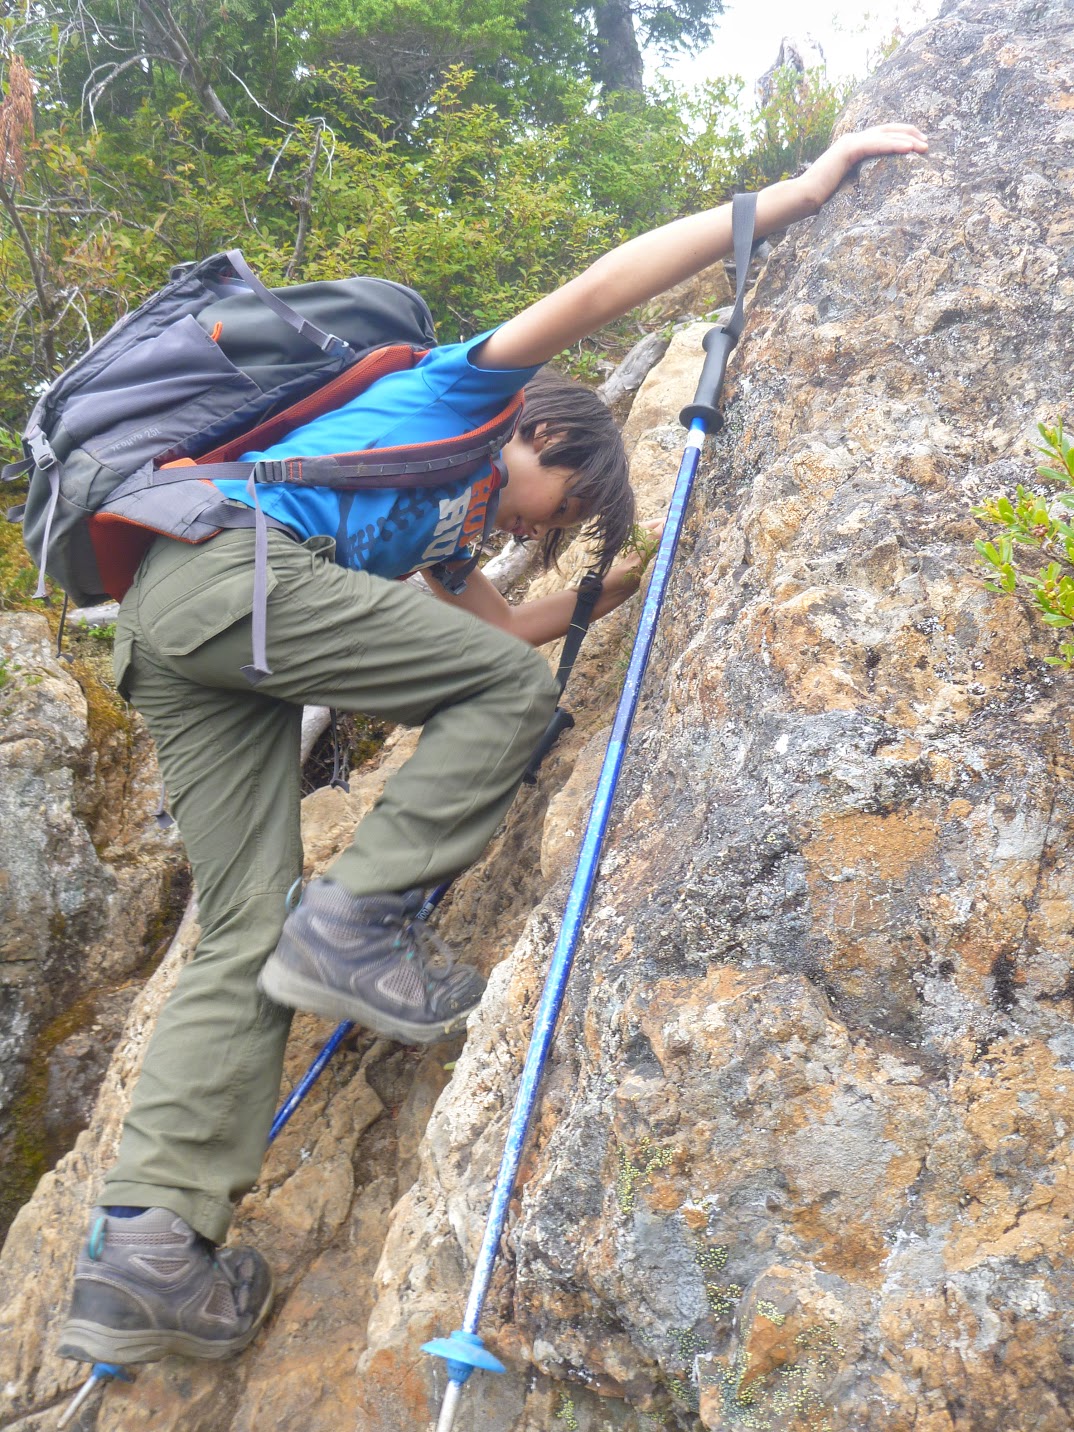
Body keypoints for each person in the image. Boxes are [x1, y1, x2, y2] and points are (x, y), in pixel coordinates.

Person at [58, 122, 928, 1368]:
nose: (543, 526)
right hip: (225, 567)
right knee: (489, 723)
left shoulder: (429, 524)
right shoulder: (463, 394)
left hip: (174, 623)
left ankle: (146, 1248)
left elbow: (505, 634)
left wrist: (612, 592)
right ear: (540, 437)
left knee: (246, 927)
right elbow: (593, 291)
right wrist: (791, 196)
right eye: (558, 501)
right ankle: (357, 925)